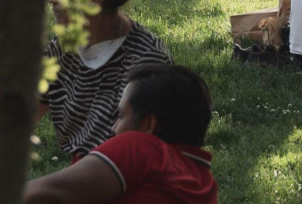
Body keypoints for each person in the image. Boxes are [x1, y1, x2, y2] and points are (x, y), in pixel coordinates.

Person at [39, 0, 172, 160]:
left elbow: (139, 156)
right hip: (86, 174)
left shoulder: (146, 61)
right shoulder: (63, 47)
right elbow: (19, 114)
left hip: (129, 176)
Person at [25, 65, 218, 203]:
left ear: (148, 125)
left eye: (121, 115)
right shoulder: (204, 183)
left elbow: (43, 194)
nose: (113, 128)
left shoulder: (143, 147)